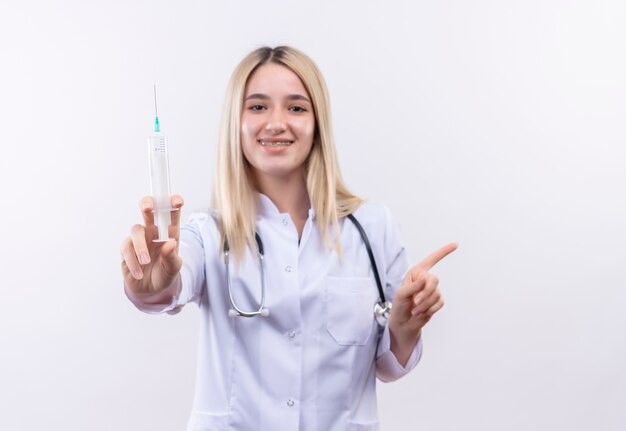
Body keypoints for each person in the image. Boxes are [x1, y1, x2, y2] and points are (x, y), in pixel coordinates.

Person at [121, 46, 457, 431]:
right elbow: (168, 286)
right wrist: (151, 284)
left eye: (296, 108)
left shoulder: (373, 228)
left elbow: (388, 366)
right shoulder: (207, 233)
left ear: (317, 124)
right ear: (236, 122)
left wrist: (404, 325)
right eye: (258, 107)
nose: (277, 123)